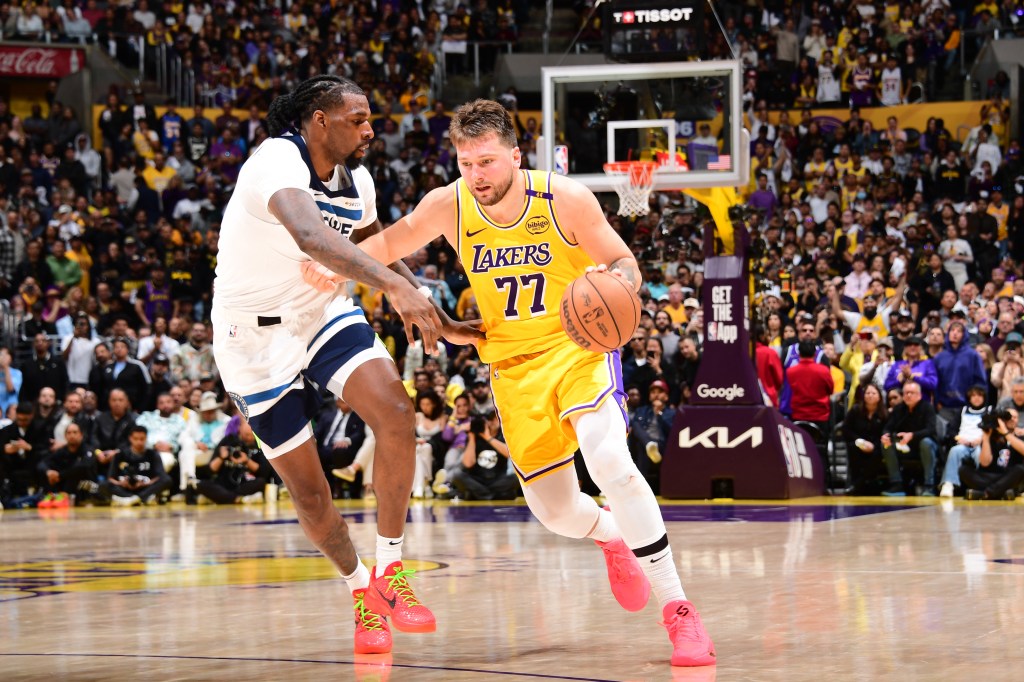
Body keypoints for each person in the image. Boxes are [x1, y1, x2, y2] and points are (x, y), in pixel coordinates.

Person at [317, 98, 715, 667]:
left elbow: (625, 264)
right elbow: (386, 246)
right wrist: (329, 263)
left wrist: (614, 280)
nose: (476, 175)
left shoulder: (565, 199)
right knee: (554, 511)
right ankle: (609, 536)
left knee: (610, 462)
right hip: (510, 365)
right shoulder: (448, 206)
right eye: (466, 163)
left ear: (515, 156)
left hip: (578, 348)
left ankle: (678, 610)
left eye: (487, 162)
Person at [211, 75, 474, 655]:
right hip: (252, 340)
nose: (369, 129)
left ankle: (390, 573)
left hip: (321, 312)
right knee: (310, 494)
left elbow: (374, 243)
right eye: (357, 119)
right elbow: (311, 236)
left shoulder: (358, 180)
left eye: (369, 118)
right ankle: (361, 592)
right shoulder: (275, 159)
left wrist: (438, 314)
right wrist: (391, 290)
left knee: (397, 414)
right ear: (319, 120)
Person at [880, 381, 939, 496]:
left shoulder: (928, 408)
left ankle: (929, 486)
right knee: (885, 444)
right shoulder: (898, 409)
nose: (908, 395)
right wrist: (886, 436)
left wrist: (912, 435)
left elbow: (931, 430)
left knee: (926, 442)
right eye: (906, 393)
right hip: (903, 446)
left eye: (912, 393)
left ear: (919, 395)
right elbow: (888, 427)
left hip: (925, 446)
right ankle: (897, 484)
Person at [938, 385, 990, 498]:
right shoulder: (962, 411)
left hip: (981, 444)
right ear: (969, 398)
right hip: (963, 443)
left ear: (984, 397)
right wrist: (958, 438)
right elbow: (951, 430)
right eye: (973, 395)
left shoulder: (989, 411)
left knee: (979, 454)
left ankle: (981, 485)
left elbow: (993, 430)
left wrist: (982, 440)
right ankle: (948, 484)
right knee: (954, 451)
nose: (976, 398)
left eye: (979, 395)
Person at [102, 424, 172, 506]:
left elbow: (160, 476)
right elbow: (110, 478)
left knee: (167, 480)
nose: (139, 442)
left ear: (146, 438)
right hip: (125, 488)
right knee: (103, 484)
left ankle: (134, 499)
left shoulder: (153, 454)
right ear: (130, 438)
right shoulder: (120, 455)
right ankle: (138, 498)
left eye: (142, 439)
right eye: (136, 439)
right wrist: (121, 483)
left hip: (145, 488)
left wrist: (146, 483)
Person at [963, 408, 1024, 500]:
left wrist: (1005, 433)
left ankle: (985, 493)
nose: (1012, 419)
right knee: (963, 469)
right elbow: (985, 463)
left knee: (1020, 469)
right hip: (990, 476)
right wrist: (986, 438)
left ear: (1018, 420)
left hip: (1009, 476)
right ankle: (1001, 493)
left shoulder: (1020, 436)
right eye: (1009, 417)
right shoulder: (992, 436)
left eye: (1015, 417)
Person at [842, 384, 888, 494]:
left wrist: (874, 445)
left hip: (876, 446)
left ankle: (859, 485)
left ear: (879, 397)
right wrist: (860, 441)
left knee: (878, 453)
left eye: (873, 393)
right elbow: (846, 429)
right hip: (859, 443)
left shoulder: (884, 414)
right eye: (868, 393)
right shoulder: (855, 410)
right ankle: (856, 483)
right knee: (852, 448)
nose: (870, 396)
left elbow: (886, 432)